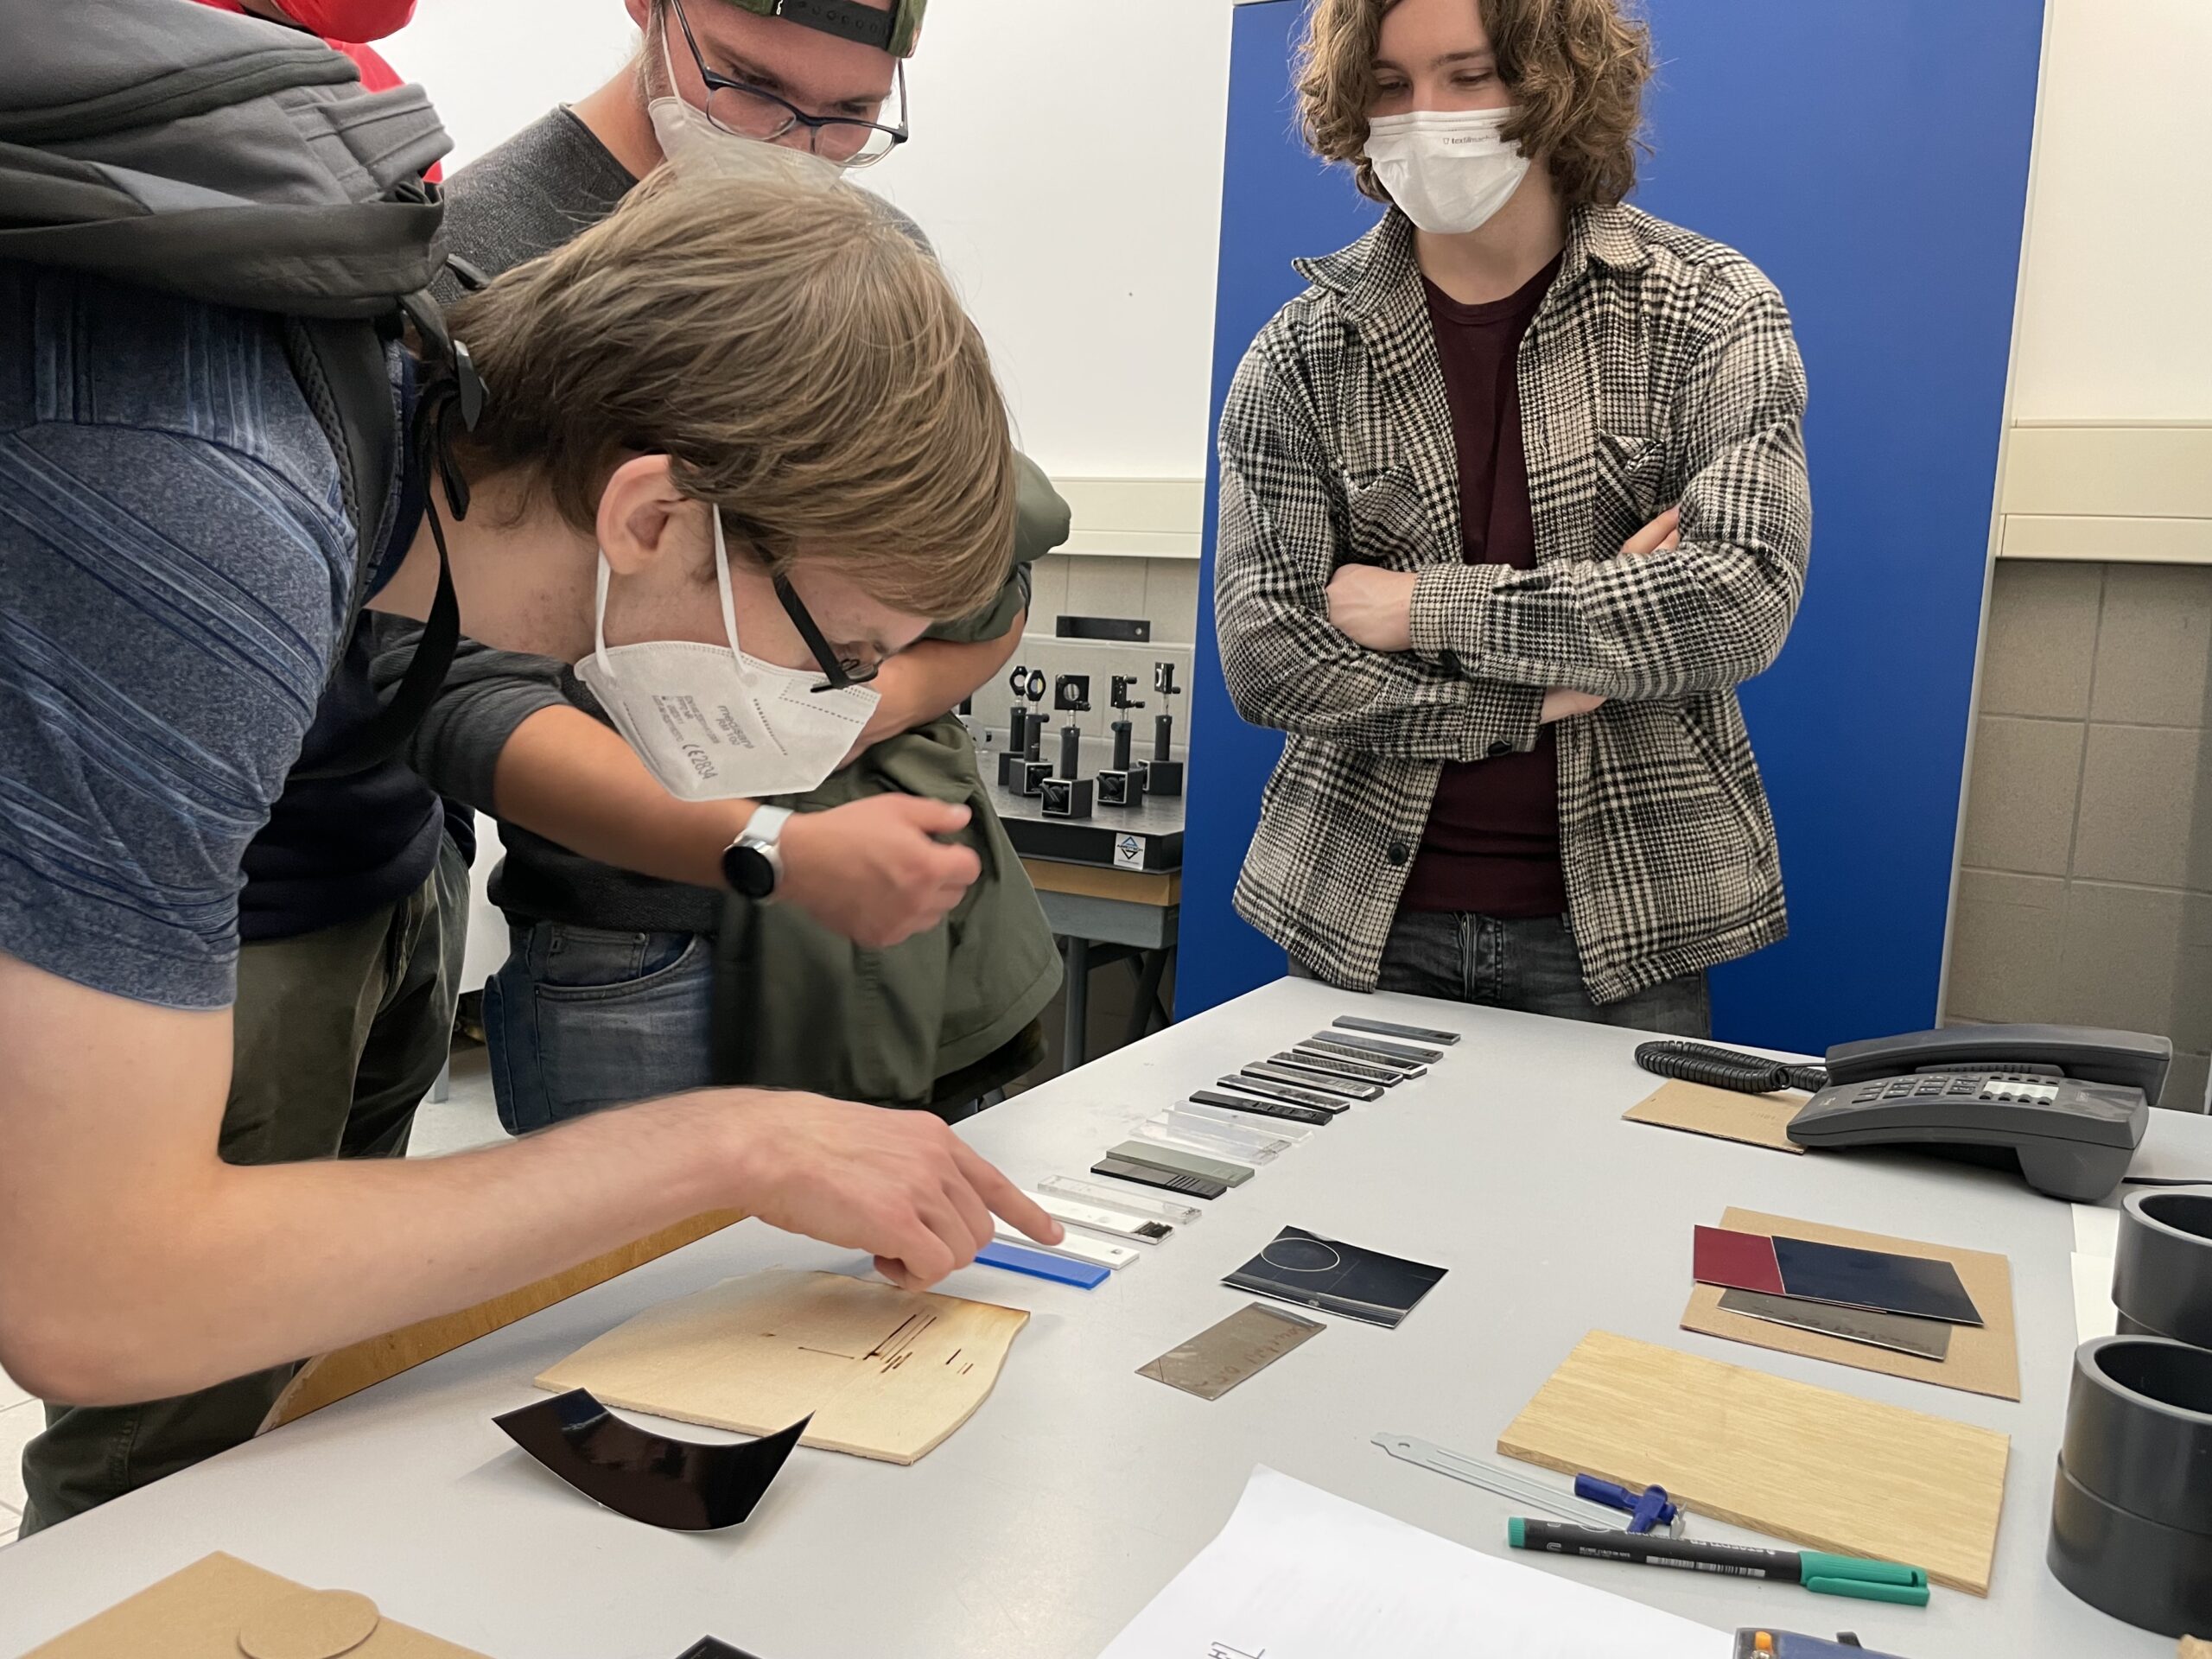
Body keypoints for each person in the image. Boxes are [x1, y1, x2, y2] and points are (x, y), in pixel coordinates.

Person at [0, 169, 1063, 1521]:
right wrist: (727, 1145)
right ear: (657, 517)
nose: (844, 707)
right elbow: (99, 1296)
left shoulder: (362, 455)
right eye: (841, 656)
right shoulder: (219, 531)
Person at [384, 0, 1065, 1131]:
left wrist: (839, 702)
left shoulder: (868, 259)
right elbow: (435, 683)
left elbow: (973, 584)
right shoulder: (465, 253)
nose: (797, 146)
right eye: (751, 84)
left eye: (849, 114)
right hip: (623, 935)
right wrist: (763, 839)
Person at [14, 0, 469, 1532]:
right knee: (161, 1444)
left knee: (312, 1390)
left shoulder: (325, 141)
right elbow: (96, 1294)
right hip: (231, 916)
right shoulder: (212, 490)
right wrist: (713, 1152)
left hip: (368, 866)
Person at [1215, 0, 1810, 1034]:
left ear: (1551, 82)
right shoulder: (1301, 353)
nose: (1424, 117)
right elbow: (1269, 657)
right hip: (1359, 907)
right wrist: (1543, 691)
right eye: (1391, 87)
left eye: (1467, 75)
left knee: (1610, 1203)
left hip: (1633, 923)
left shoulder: (1710, 310)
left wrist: (1419, 608)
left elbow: (1736, 602)